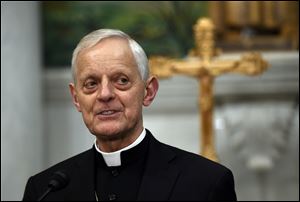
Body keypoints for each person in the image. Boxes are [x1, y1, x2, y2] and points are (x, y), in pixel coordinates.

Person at [23, 29, 237, 201]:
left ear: (149, 91)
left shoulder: (206, 183)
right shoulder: (45, 191)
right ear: (76, 98)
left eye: (121, 80)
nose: (105, 94)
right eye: (91, 84)